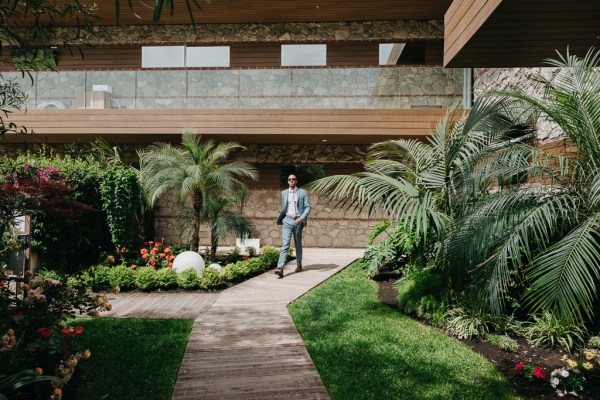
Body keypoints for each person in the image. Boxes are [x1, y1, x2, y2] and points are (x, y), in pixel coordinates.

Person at [274, 174, 311, 278]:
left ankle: (299, 265)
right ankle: (280, 268)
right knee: (285, 244)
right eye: (289, 179)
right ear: (287, 181)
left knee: (297, 243)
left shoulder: (302, 192)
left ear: (296, 181)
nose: (291, 181)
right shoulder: (284, 193)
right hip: (287, 220)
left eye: (293, 179)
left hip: (298, 220)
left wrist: (301, 218)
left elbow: (307, 207)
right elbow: (284, 207)